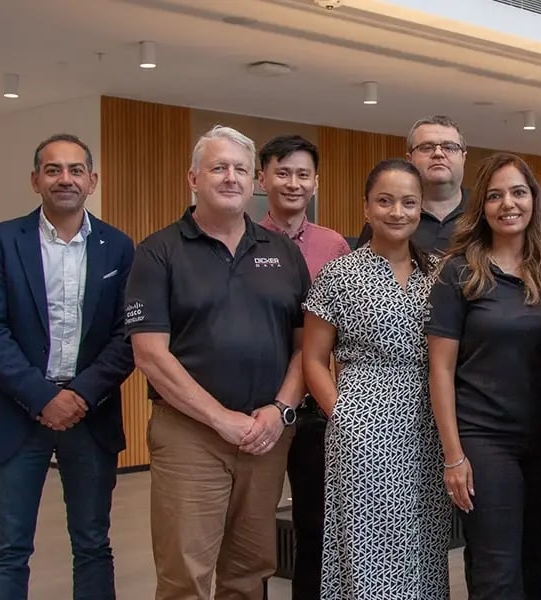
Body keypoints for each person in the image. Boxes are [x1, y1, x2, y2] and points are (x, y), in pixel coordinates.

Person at [125, 125, 311, 600]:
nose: (231, 177)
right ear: (193, 178)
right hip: (190, 434)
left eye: (240, 170)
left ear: (254, 182)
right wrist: (219, 418)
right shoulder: (158, 251)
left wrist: (280, 410)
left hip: (266, 434)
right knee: (185, 573)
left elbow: (306, 348)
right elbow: (149, 353)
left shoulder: (283, 253)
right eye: (219, 168)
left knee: (250, 571)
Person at [0, 133, 135, 600]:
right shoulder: (1, 241)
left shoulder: (118, 247)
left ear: (92, 180)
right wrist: (44, 398)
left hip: (90, 413)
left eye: (75, 170)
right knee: (9, 548)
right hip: (16, 411)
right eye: (53, 170)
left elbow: (127, 336)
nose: (65, 179)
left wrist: (79, 395)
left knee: (93, 544)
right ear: (35, 180)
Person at [303, 158, 450, 600]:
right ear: (366, 207)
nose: (397, 212)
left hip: (427, 425)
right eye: (384, 201)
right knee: (367, 541)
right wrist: (344, 416)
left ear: (421, 208)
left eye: (408, 202)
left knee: (424, 540)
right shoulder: (339, 273)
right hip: (362, 425)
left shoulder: (440, 273)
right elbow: (313, 359)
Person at [426, 153, 541, 599]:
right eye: (495, 195)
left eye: (518, 192)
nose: (508, 204)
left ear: (535, 201)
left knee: (534, 567)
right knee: (496, 570)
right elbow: (440, 368)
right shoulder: (459, 272)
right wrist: (453, 456)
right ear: (482, 207)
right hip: (485, 439)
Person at [256, 134, 350, 600]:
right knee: (251, 530)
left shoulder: (334, 246)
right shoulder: (245, 240)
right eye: (283, 172)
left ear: (316, 183)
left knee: (314, 525)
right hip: (258, 405)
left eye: (302, 174)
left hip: (315, 409)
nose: (293, 183)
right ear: (263, 178)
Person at [355, 115, 468, 253]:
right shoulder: (388, 218)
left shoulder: (483, 211)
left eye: (449, 147)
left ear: (463, 158)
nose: (438, 153)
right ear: (409, 159)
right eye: (426, 147)